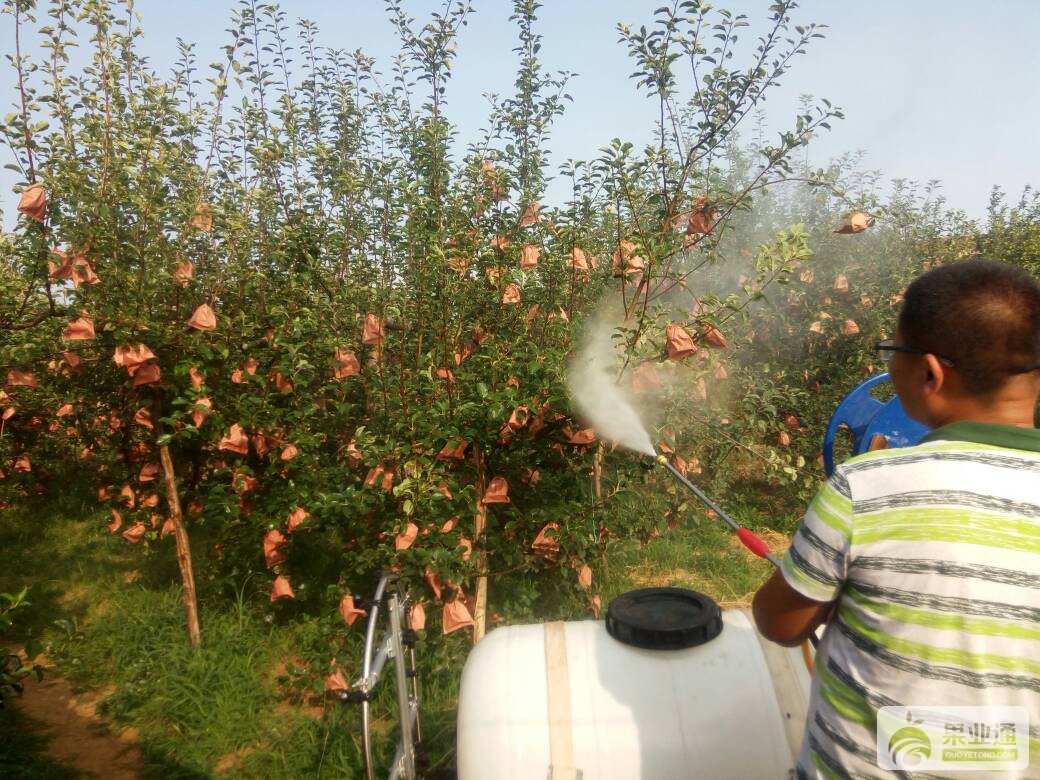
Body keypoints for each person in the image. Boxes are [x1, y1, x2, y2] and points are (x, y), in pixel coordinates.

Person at [752, 259, 1040, 778]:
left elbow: (779, 623)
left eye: (893, 355)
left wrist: (816, 564)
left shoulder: (866, 488)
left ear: (929, 372)